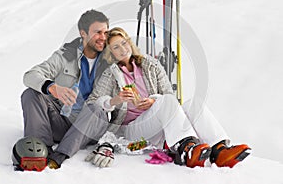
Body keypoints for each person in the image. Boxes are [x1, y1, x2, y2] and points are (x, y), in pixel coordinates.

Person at [85, 27, 251, 168]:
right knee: (166, 102)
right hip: (132, 130)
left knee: (193, 103)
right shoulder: (109, 75)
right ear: (110, 53)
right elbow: (92, 103)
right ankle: (187, 149)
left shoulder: (151, 65)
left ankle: (220, 150)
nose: (122, 49)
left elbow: (169, 96)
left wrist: (153, 101)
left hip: (159, 124)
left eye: (123, 43)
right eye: (115, 47)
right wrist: (116, 100)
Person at [21, 9, 111, 169]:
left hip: (90, 129)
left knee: (96, 108)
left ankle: (60, 155)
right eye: (98, 32)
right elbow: (30, 75)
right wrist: (53, 87)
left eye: (106, 32)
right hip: (63, 122)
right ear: (83, 33)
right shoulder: (65, 55)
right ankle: (40, 149)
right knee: (31, 94)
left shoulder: (111, 59)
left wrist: (109, 142)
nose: (103, 37)